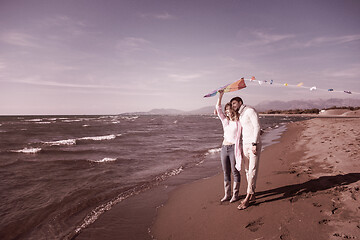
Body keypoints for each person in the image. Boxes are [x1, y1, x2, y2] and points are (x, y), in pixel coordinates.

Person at [230, 96, 261, 210]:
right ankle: (252, 194)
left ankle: (248, 197)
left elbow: (257, 126)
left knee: (252, 170)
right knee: (247, 170)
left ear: (240, 102)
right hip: (245, 144)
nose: (233, 106)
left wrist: (255, 143)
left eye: (234, 103)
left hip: (253, 144)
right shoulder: (241, 114)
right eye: (232, 104)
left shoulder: (250, 110)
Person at [215, 90, 242, 203]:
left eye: (228, 109)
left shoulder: (239, 121)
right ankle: (227, 194)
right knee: (226, 172)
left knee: (235, 171)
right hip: (224, 148)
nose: (226, 112)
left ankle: (235, 195)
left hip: (234, 149)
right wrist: (221, 95)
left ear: (232, 109)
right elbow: (218, 108)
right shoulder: (225, 121)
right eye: (225, 110)